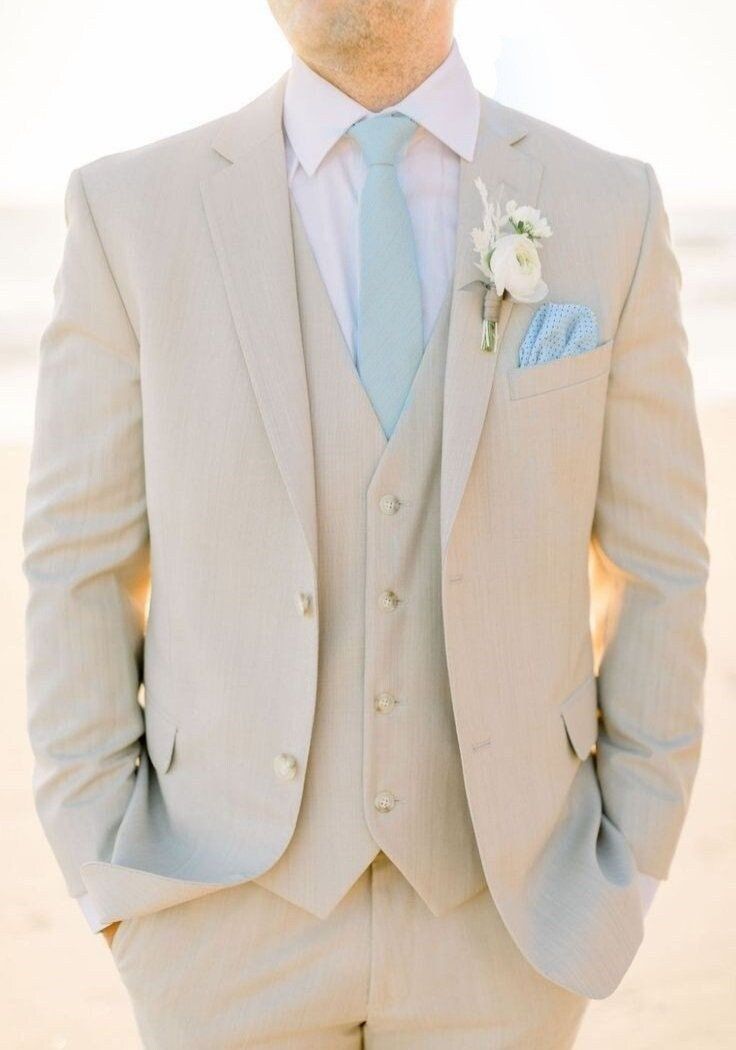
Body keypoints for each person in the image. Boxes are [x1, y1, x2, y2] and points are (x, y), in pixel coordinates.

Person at [23, 1, 708, 1046]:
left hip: (508, 925)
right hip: (219, 923)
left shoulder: (605, 208)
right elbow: (76, 566)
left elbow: (659, 567)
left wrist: (630, 865)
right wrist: (102, 874)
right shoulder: (131, 213)